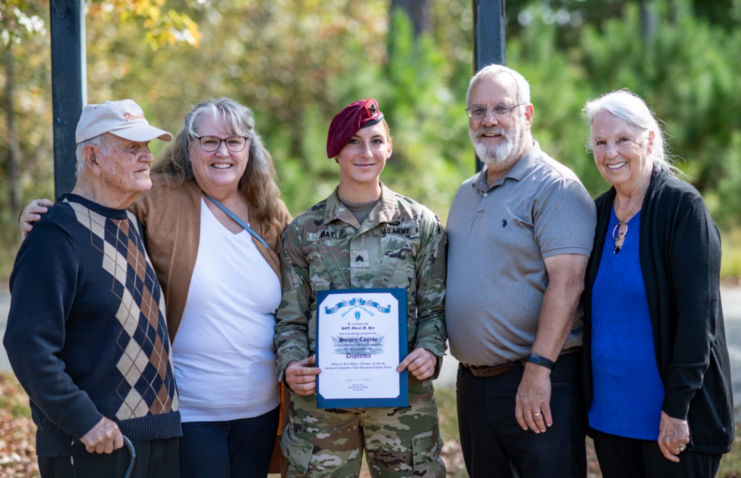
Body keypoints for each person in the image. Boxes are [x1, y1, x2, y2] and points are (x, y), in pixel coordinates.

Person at [19, 98, 292, 478]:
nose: (223, 151)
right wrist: (37, 218)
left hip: (254, 412)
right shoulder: (153, 199)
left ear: (251, 147)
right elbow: (91, 209)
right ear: (189, 147)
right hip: (188, 413)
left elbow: (302, 289)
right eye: (209, 140)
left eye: (234, 140)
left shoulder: (269, 212)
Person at [4, 100, 181, 478]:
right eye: (132, 148)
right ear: (93, 158)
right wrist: (83, 421)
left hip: (157, 441)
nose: (146, 157)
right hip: (94, 447)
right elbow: (27, 343)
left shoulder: (130, 224)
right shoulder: (53, 236)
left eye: (147, 147)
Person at [275, 98, 447, 477]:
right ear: (336, 151)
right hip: (321, 407)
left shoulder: (421, 225)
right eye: (353, 142)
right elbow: (290, 318)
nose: (366, 152)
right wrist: (291, 364)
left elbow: (434, 309)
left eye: (376, 141)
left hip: (405, 403)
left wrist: (429, 351)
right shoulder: (304, 232)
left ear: (389, 147)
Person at [445, 65, 597, 478]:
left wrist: (538, 370)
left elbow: (568, 284)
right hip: (473, 384)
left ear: (527, 115)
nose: (488, 121)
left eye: (501, 108)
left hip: (537, 380)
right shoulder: (464, 192)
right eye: (477, 110)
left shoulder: (555, 187)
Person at [581, 89, 734, 478]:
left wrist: (677, 408)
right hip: (611, 419)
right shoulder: (597, 214)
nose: (610, 152)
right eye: (600, 142)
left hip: (673, 422)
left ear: (649, 140)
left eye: (622, 140)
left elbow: (697, 320)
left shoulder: (682, 209)